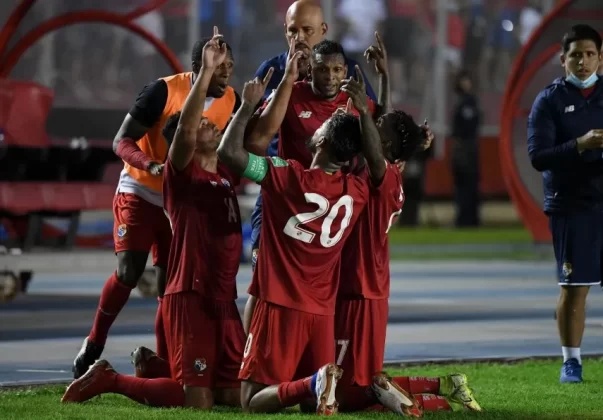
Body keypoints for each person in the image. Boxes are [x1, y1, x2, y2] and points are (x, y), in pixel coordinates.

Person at [62, 29, 244, 409]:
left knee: (169, 284)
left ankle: (166, 365)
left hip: (184, 201)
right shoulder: (162, 91)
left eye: (230, 65)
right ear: (199, 66)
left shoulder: (232, 100)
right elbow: (121, 140)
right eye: (220, 66)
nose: (227, 72)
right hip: (142, 188)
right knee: (130, 270)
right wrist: (150, 164)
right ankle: (95, 341)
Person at [334, 37, 480, 414]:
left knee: (350, 393)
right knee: (358, 381)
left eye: (377, 129)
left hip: (360, 288)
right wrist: (383, 78)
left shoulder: (382, 175)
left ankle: (433, 402)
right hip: (366, 285)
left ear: (386, 147)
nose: (371, 125)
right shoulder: (389, 169)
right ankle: (443, 387)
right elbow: (383, 127)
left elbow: (377, 133)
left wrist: (361, 108)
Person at [217, 72, 371, 414]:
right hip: (323, 311)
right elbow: (371, 161)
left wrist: (246, 107)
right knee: (310, 406)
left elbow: (228, 153)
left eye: (322, 124)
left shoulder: (285, 174)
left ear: (321, 141)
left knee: (251, 401)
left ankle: (312, 383)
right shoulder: (358, 191)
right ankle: (317, 384)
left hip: (280, 303)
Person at [241, 38, 377, 333]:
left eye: (336, 70)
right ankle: (248, 349)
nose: (330, 76)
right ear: (310, 70)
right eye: (322, 69)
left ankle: (319, 348)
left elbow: (379, 144)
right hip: (285, 201)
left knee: (328, 286)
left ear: (345, 71)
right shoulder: (290, 93)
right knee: (263, 281)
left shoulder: (357, 102)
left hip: (329, 209)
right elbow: (254, 143)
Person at [249, 0, 376, 267]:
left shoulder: (347, 70)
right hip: (281, 188)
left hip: (334, 194)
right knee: (265, 270)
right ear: (285, 30)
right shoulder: (271, 72)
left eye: (307, 30)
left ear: (323, 29)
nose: (300, 38)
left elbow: (373, 125)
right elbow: (250, 136)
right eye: (293, 31)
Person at [527, 24, 603, 384]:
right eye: (576, 55)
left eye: (590, 54)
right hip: (572, 205)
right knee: (574, 288)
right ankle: (571, 362)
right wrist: (580, 145)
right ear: (563, 60)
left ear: (600, 57)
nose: (583, 62)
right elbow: (538, 156)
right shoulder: (549, 100)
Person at [451, 70, 481, 227]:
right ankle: (465, 218)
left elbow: (469, 126)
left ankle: (468, 219)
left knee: (468, 184)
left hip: (467, 147)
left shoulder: (469, 102)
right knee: (463, 184)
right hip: (464, 148)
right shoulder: (462, 101)